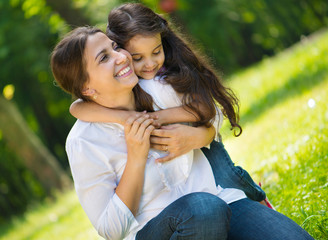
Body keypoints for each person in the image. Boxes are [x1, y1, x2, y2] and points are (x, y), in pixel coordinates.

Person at [51, 26, 314, 240]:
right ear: (87, 88)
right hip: (158, 231)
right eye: (104, 57)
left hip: (223, 201)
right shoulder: (84, 142)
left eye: (115, 46)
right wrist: (136, 156)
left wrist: (201, 136)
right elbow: (111, 230)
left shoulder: (155, 86)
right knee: (203, 210)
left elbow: (212, 110)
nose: (121, 56)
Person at [69, 3, 266, 203]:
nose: (150, 64)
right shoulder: (123, 82)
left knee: (230, 178)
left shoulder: (169, 77)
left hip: (205, 148)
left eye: (156, 52)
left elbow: (207, 109)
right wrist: (124, 117)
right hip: (186, 177)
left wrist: (160, 119)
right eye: (137, 58)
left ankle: (257, 198)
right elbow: (76, 107)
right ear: (121, 51)